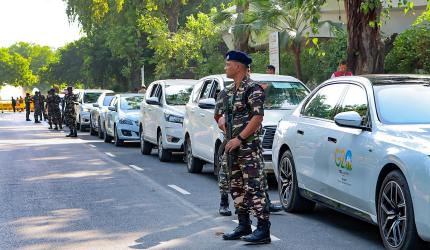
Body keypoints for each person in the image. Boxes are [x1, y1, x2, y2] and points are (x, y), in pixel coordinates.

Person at [214, 50, 271, 244]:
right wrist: (221, 123)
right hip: (232, 148)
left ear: (238, 66)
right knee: (236, 187)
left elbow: (258, 117)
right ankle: (243, 224)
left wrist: (239, 138)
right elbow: (220, 115)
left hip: (248, 149)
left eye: (228, 65)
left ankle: (263, 229)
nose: (225, 68)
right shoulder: (229, 91)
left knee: (255, 187)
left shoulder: (253, 89)